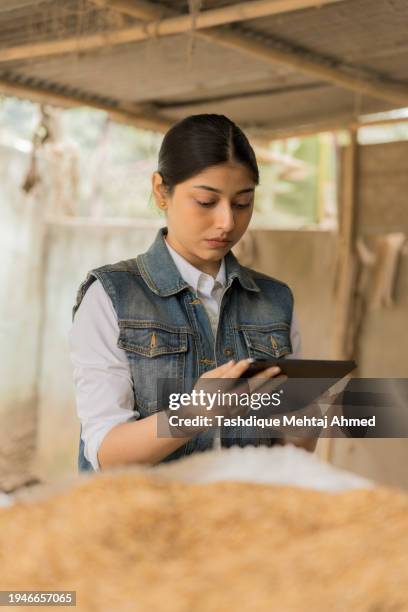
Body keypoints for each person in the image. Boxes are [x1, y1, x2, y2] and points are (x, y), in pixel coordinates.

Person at [69, 113, 309, 474]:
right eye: (206, 202)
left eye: (242, 203)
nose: (227, 222)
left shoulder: (276, 302)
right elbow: (105, 454)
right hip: (144, 522)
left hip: (244, 518)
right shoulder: (112, 296)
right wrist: (194, 413)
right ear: (160, 191)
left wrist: (312, 412)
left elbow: (292, 451)